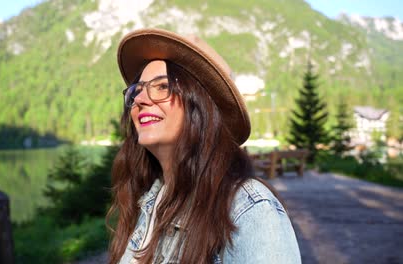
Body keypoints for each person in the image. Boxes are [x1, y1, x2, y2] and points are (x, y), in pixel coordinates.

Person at [107, 28, 301, 264]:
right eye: (137, 90)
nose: (139, 99)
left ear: (201, 103)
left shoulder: (249, 210)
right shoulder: (151, 198)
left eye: (162, 87)